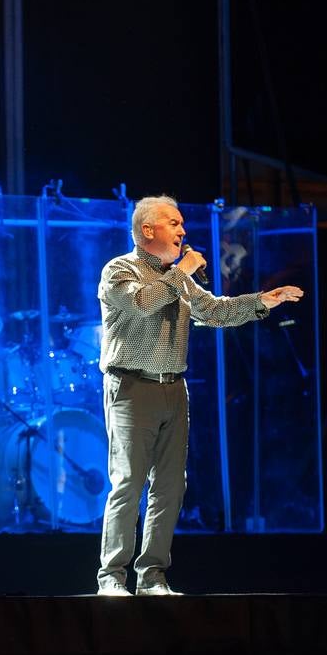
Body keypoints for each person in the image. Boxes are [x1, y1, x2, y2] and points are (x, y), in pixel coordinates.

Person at [95, 196, 303, 596]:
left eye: (182, 224)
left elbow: (215, 311)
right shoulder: (119, 270)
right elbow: (142, 303)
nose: (183, 231)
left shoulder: (181, 278)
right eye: (174, 223)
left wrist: (260, 302)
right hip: (131, 387)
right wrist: (182, 272)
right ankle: (112, 578)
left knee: (171, 486)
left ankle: (152, 577)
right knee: (128, 485)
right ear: (147, 230)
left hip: (174, 387)